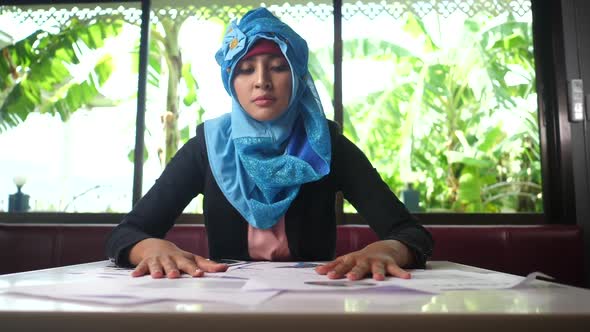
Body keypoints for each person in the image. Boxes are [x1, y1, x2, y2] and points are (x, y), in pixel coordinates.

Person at [105, 7, 433, 281]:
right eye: (246, 69)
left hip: (315, 305)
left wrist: (385, 249)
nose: (261, 80)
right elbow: (126, 234)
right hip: (227, 310)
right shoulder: (208, 146)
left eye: (278, 67)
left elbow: (411, 234)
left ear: (298, 75)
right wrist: (152, 249)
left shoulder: (326, 144)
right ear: (231, 83)